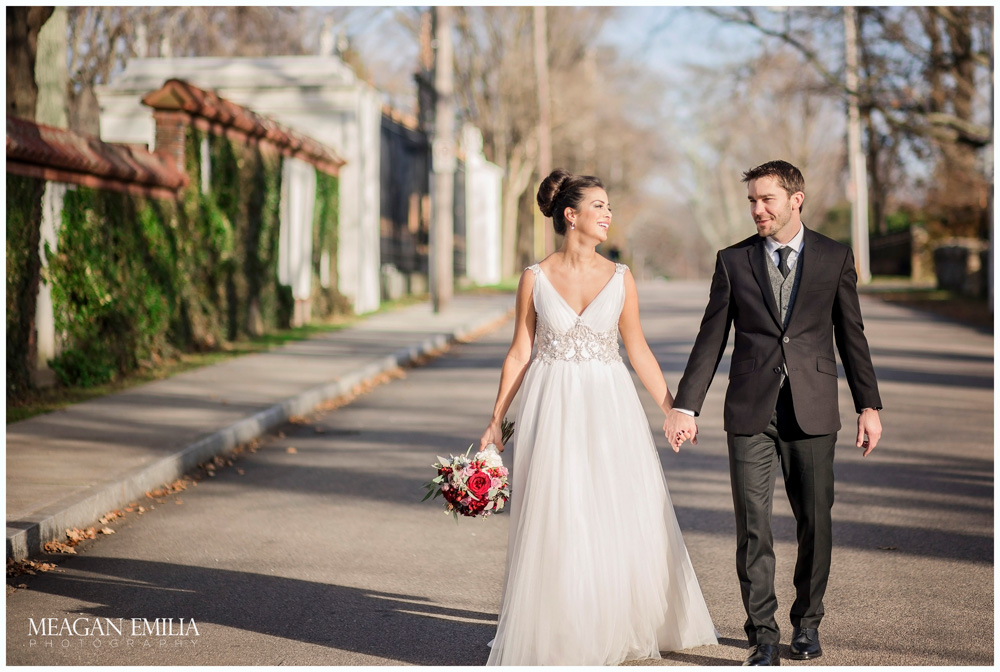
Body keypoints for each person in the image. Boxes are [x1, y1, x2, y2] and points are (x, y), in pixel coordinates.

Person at [479, 169, 717, 665]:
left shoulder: (621, 278)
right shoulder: (534, 278)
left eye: (609, 207)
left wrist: (673, 408)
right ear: (571, 215)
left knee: (612, 507)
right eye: (599, 206)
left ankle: (614, 619)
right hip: (552, 403)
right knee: (560, 511)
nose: (608, 215)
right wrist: (495, 421)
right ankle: (564, 627)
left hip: (610, 405)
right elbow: (520, 353)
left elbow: (640, 351)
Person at [664, 160, 883, 666]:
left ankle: (807, 624)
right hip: (750, 412)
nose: (758, 210)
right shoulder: (733, 260)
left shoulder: (833, 256)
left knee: (815, 523)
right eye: (752, 202)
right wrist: (686, 405)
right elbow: (710, 338)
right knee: (753, 527)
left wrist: (868, 405)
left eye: (767, 200)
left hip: (812, 408)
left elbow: (853, 336)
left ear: (795, 199)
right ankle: (762, 633)